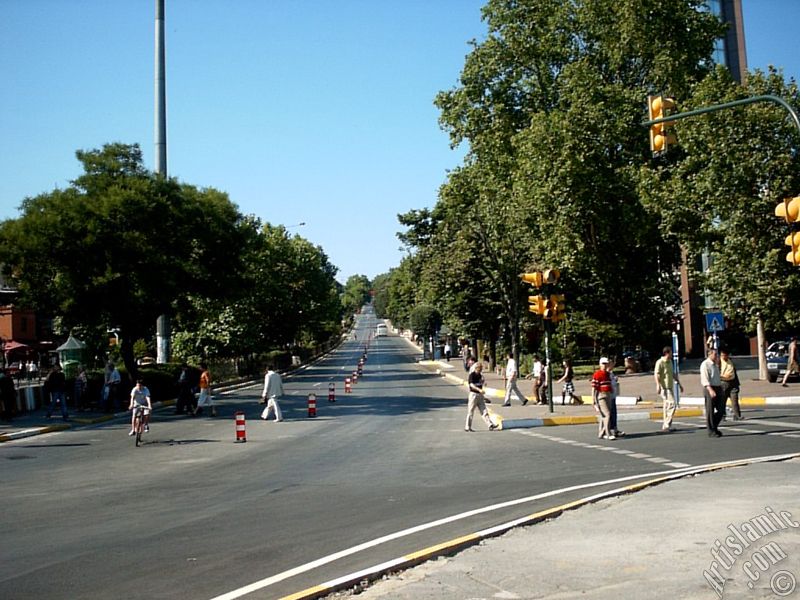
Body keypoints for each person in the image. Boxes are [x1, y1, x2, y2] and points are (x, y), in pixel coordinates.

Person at [654, 346, 683, 432]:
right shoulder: (660, 362)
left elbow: (673, 374)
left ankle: (666, 425)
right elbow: (656, 374)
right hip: (664, 387)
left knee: (667, 406)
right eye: (670, 352)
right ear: (667, 353)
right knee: (672, 404)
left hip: (670, 386)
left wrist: (679, 384)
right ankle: (666, 424)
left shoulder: (670, 362)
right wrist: (658, 385)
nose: (671, 354)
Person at [465, 362, 497, 432]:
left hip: (480, 395)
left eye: (481, 369)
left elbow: (481, 382)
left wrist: (483, 382)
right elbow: (471, 384)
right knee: (471, 411)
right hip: (473, 394)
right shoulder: (472, 375)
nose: (480, 370)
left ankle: (490, 424)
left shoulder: (480, 375)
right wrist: (479, 389)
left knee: (484, 410)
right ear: (476, 368)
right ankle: (468, 426)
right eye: (480, 369)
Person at [701, 347, 724, 438]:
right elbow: (705, 379)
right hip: (710, 388)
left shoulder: (715, 364)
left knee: (721, 410)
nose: (716, 356)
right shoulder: (705, 364)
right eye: (715, 354)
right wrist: (710, 390)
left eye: (716, 354)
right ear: (709, 354)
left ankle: (714, 426)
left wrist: (720, 387)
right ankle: (711, 430)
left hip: (718, 387)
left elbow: (717, 377)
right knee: (710, 410)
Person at [591, 357, 614, 440]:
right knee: (607, 414)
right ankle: (608, 433)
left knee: (603, 415)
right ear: (600, 364)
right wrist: (593, 399)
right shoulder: (597, 374)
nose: (605, 365)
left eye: (606, 363)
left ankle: (601, 432)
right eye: (603, 364)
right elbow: (594, 388)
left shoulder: (608, 374)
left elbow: (609, 384)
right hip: (601, 396)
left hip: (608, 395)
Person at [719, 348, 742, 421]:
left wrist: (737, 384)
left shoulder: (730, 361)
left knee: (735, 400)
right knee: (722, 401)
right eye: (722, 355)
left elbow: (734, 371)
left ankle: (737, 416)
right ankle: (722, 416)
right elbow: (716, 373)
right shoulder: (718, 362)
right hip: (723, 383)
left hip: (733, 383)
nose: (723, 357)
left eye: (725, 355)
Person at [607, 359, 624, 437]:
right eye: (612, 363)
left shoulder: (611, 373)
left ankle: (614, 429)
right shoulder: (607, 373)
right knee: (611, 413)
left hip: (613, 395)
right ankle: (612, 430)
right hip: (609, 396)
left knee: (613, 413)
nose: (613, 365)